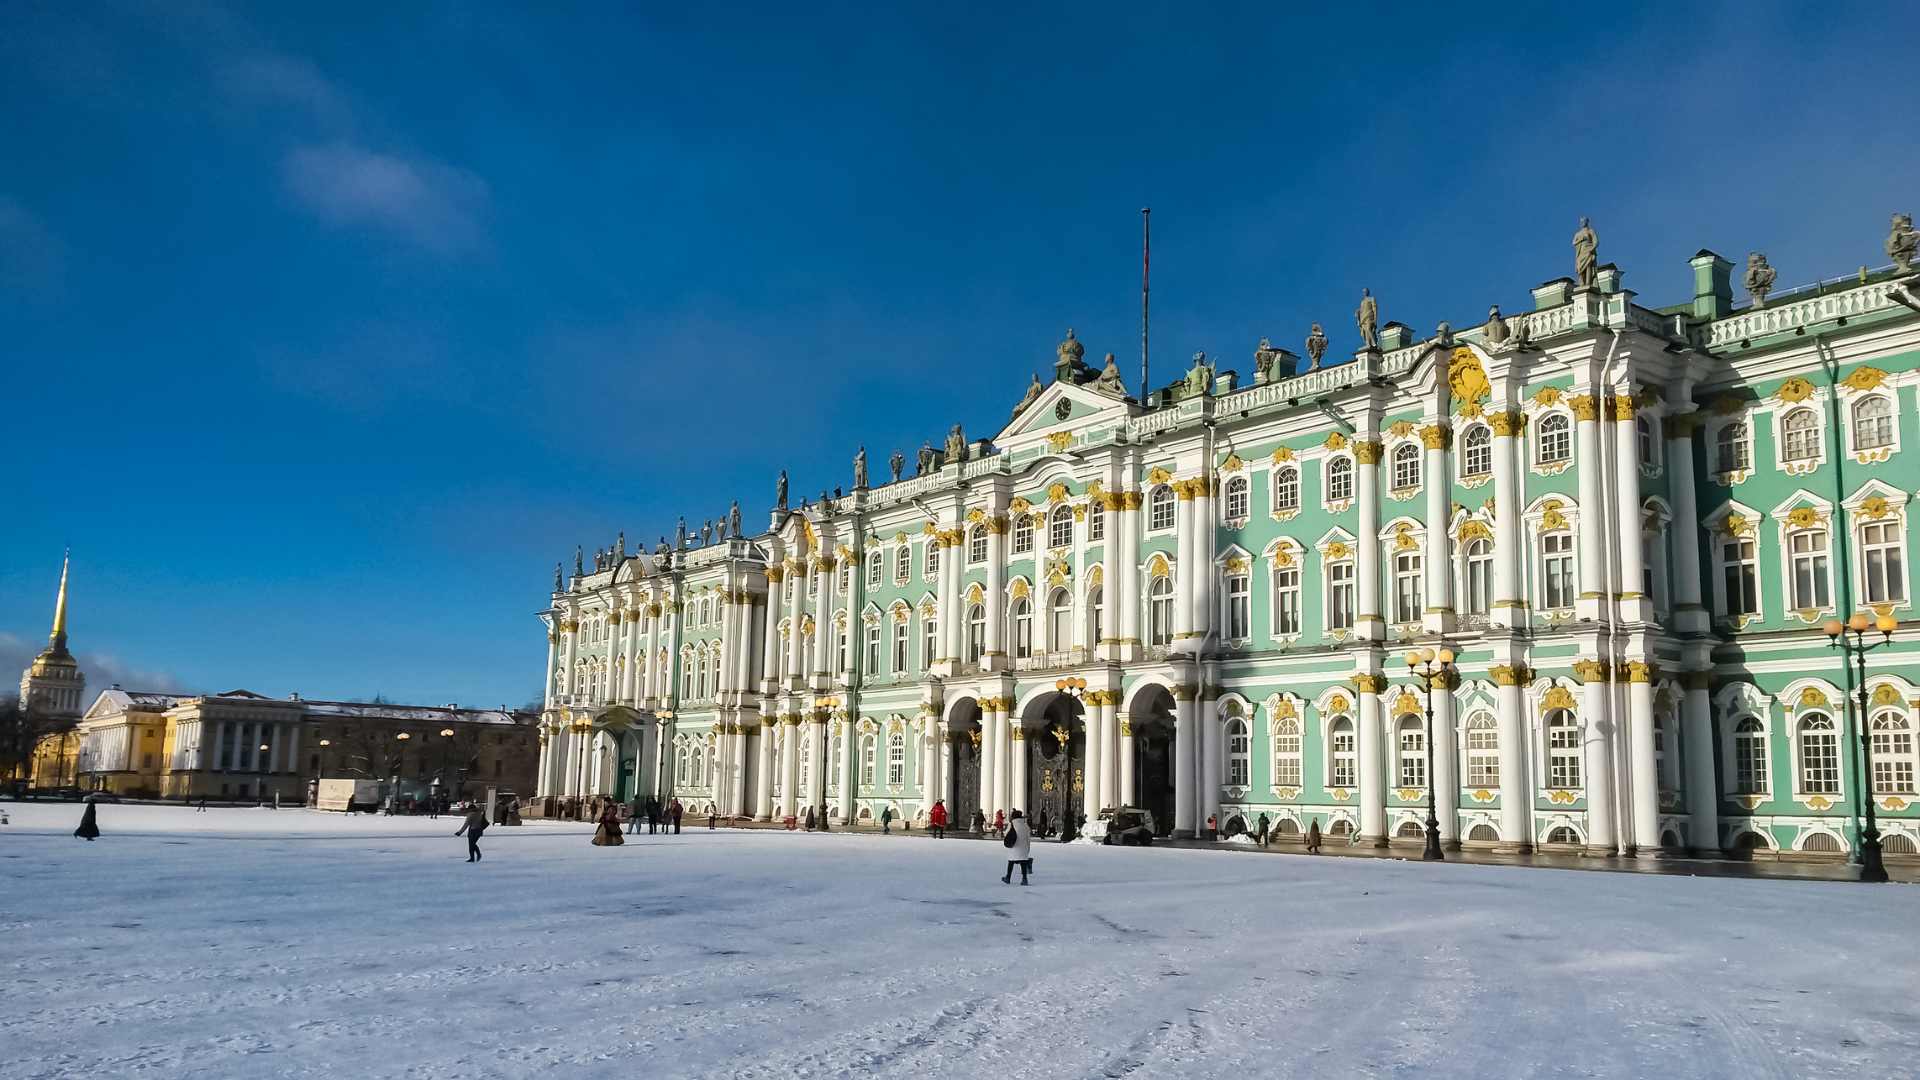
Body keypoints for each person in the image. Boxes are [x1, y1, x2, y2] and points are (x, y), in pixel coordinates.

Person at [1000, 809, 1033, 885]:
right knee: (1023, 863)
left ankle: (1008, 877)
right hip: (1023, 848)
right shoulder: (1025, 825)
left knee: (1011, 862)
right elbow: (1028, 838)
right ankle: (1024, 879)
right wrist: (1028, 848)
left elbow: (1006, 834)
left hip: (1014, 847)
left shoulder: (1012, 824)